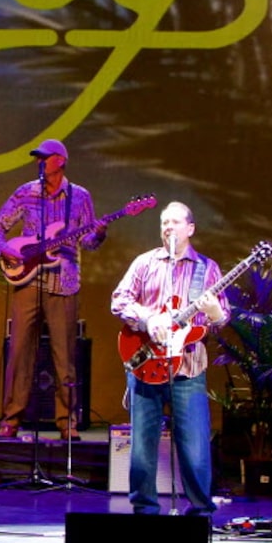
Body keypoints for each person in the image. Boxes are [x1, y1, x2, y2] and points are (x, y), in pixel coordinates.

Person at [111, 201, 229, 517]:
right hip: (146, 364)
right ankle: (145, 510)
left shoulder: (207, 269)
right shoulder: (145, 263)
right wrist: (148, 320)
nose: (168, 228)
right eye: (164, 222)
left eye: (175, 222)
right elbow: (119, 300)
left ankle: (200, 513)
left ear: (190, 228)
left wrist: (216, 313)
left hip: (188, 368)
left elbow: (220, 319)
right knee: (142, 445)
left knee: (194, 446)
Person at [0, 138, 105, 439]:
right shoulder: (26, 192)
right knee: (20, 352)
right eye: (37, 158)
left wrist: (99, 234)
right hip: (27, 279)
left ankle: (67, 422)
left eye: (45, 157)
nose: (39, 162)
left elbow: (88, 242)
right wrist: (5, 249)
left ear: (60, 161)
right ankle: (11, 419)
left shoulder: (79, 197)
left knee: (64, 355)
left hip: (63, 282)